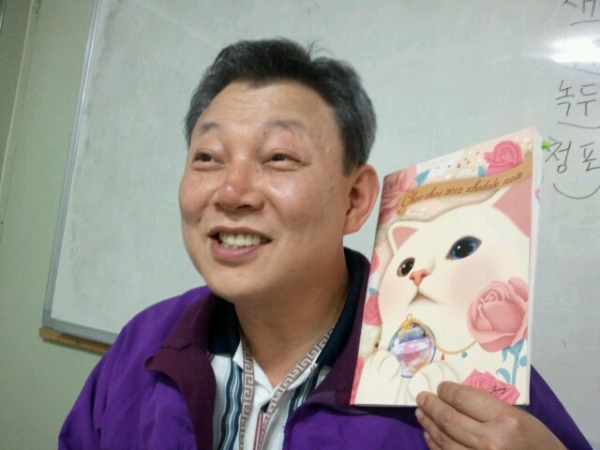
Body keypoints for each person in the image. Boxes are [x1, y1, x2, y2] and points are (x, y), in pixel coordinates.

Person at [59, 38, 592, 450]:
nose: (231, 191)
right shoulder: (145, 346)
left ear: (355, 199)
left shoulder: (465, 368)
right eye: (208, 158)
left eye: (278, 157)